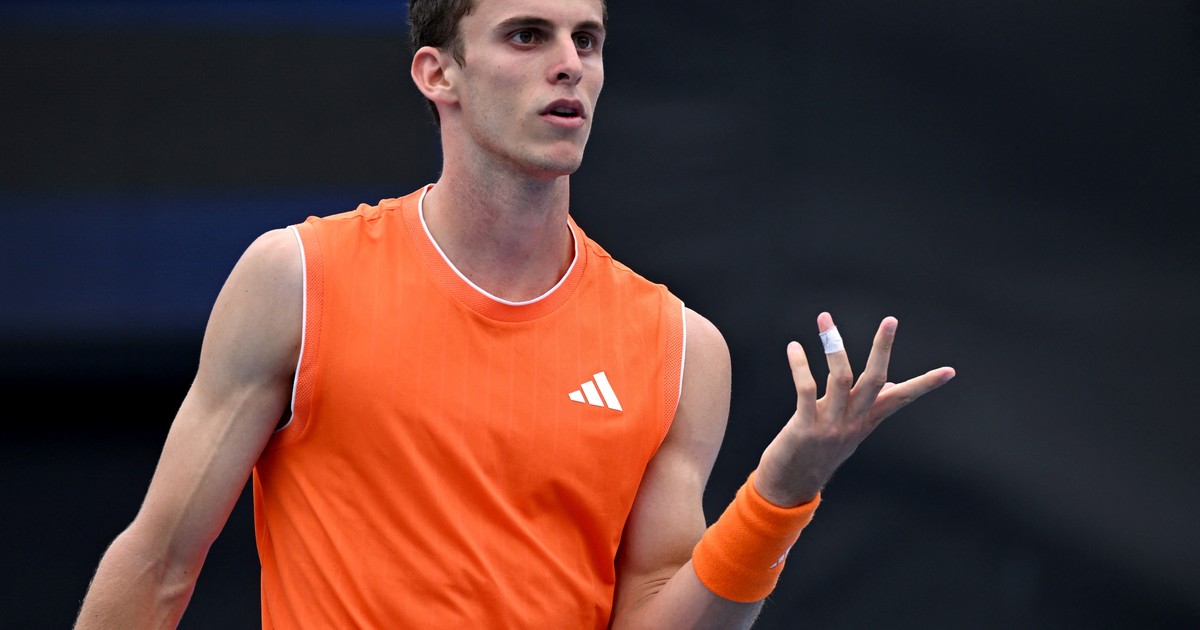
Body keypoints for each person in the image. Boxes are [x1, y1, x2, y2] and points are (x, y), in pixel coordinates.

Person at [74, 0, 956, 627]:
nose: (569, 63)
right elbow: (159, 567)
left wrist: (781, 494)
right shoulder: (296, 279)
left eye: (587, 39)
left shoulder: (682, 348)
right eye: (527, 35)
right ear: (439, 74)